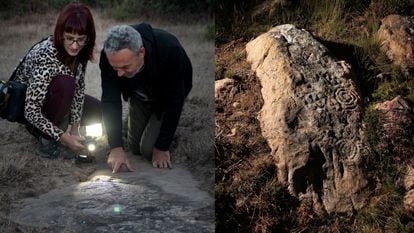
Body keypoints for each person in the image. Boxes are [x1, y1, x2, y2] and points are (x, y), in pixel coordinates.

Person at [12, 3, 101, 158]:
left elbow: (79, 90)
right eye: (70, 39)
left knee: (100, 110)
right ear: (60, 34)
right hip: (30, 112)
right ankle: (46, 141)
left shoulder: (81, 51)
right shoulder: (46, 54)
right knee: (66, 83)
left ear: (88, 38)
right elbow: (31, 112)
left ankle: (63, 129)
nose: (74, 46)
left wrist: (74, 131)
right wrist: (65, 139)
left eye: (80, 39)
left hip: (59, 98)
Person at [100, 24, 192, 173]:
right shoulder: (108, 55)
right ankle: (138, 117)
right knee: (135, 148)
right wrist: (116, 148)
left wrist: (162, 147)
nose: (119, 74)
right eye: (115, 67)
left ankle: (153, 118)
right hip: (138, 93)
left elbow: (175, 101)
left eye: (125, 66)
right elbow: (110, 100)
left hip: (166, 96)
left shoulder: (170, 50)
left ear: (141, 52)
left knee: (148, 150)